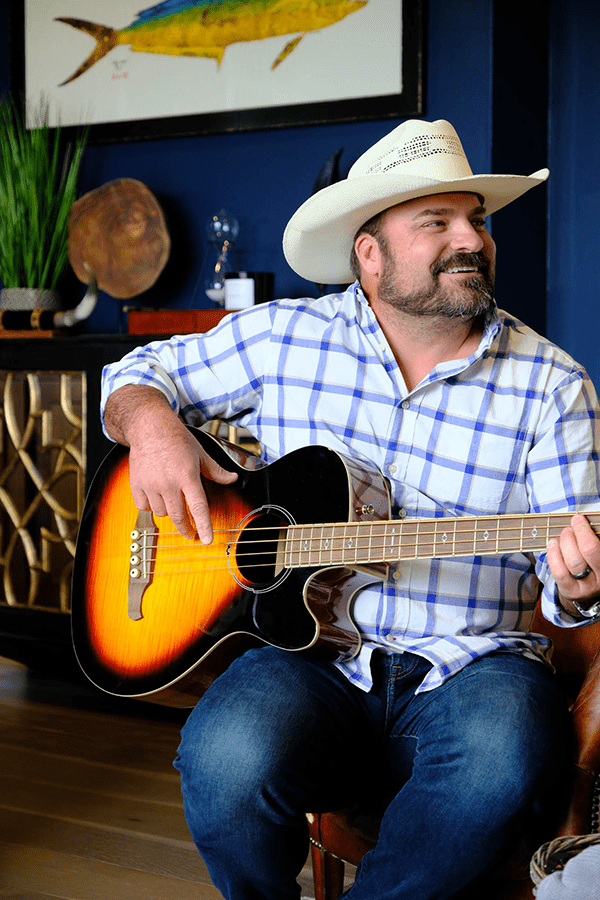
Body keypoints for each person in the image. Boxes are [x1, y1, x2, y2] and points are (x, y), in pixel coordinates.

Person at [101, 119, 600, 900]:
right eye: (436, 221)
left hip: (477, 667)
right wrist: (152, 426)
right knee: (224, 757)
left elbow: (571, 582)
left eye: (477, 218)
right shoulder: (283, 338)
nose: (471, 237)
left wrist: (577, 587)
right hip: (312, 659)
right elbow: (136, 372)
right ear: (370, 255)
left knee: (505, 756)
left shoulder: (553, 384)